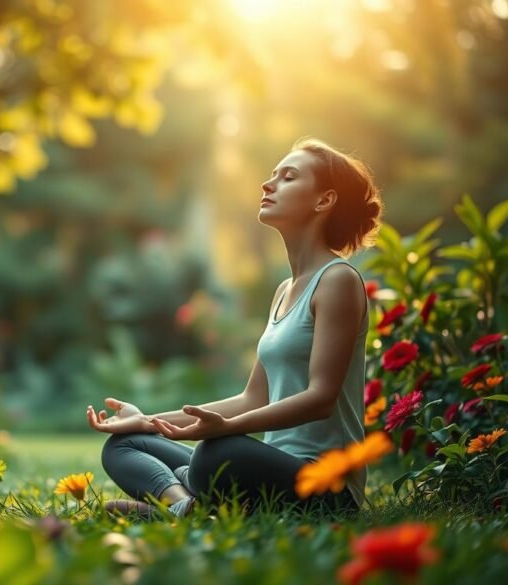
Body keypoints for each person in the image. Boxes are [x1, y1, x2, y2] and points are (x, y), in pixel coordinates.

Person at [88, 138, 383, 519]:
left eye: (288, 177)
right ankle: (185, 508)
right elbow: (252, 397)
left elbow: (320, 397)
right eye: (272, 175)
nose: (268, 184)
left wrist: (226, 428)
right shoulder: (284, 291)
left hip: (325, 485)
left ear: (323, 201)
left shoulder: (338, 280)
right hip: (272, 469)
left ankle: (186, 499)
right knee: (125, 442)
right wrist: (148, 420)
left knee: (216, 452)